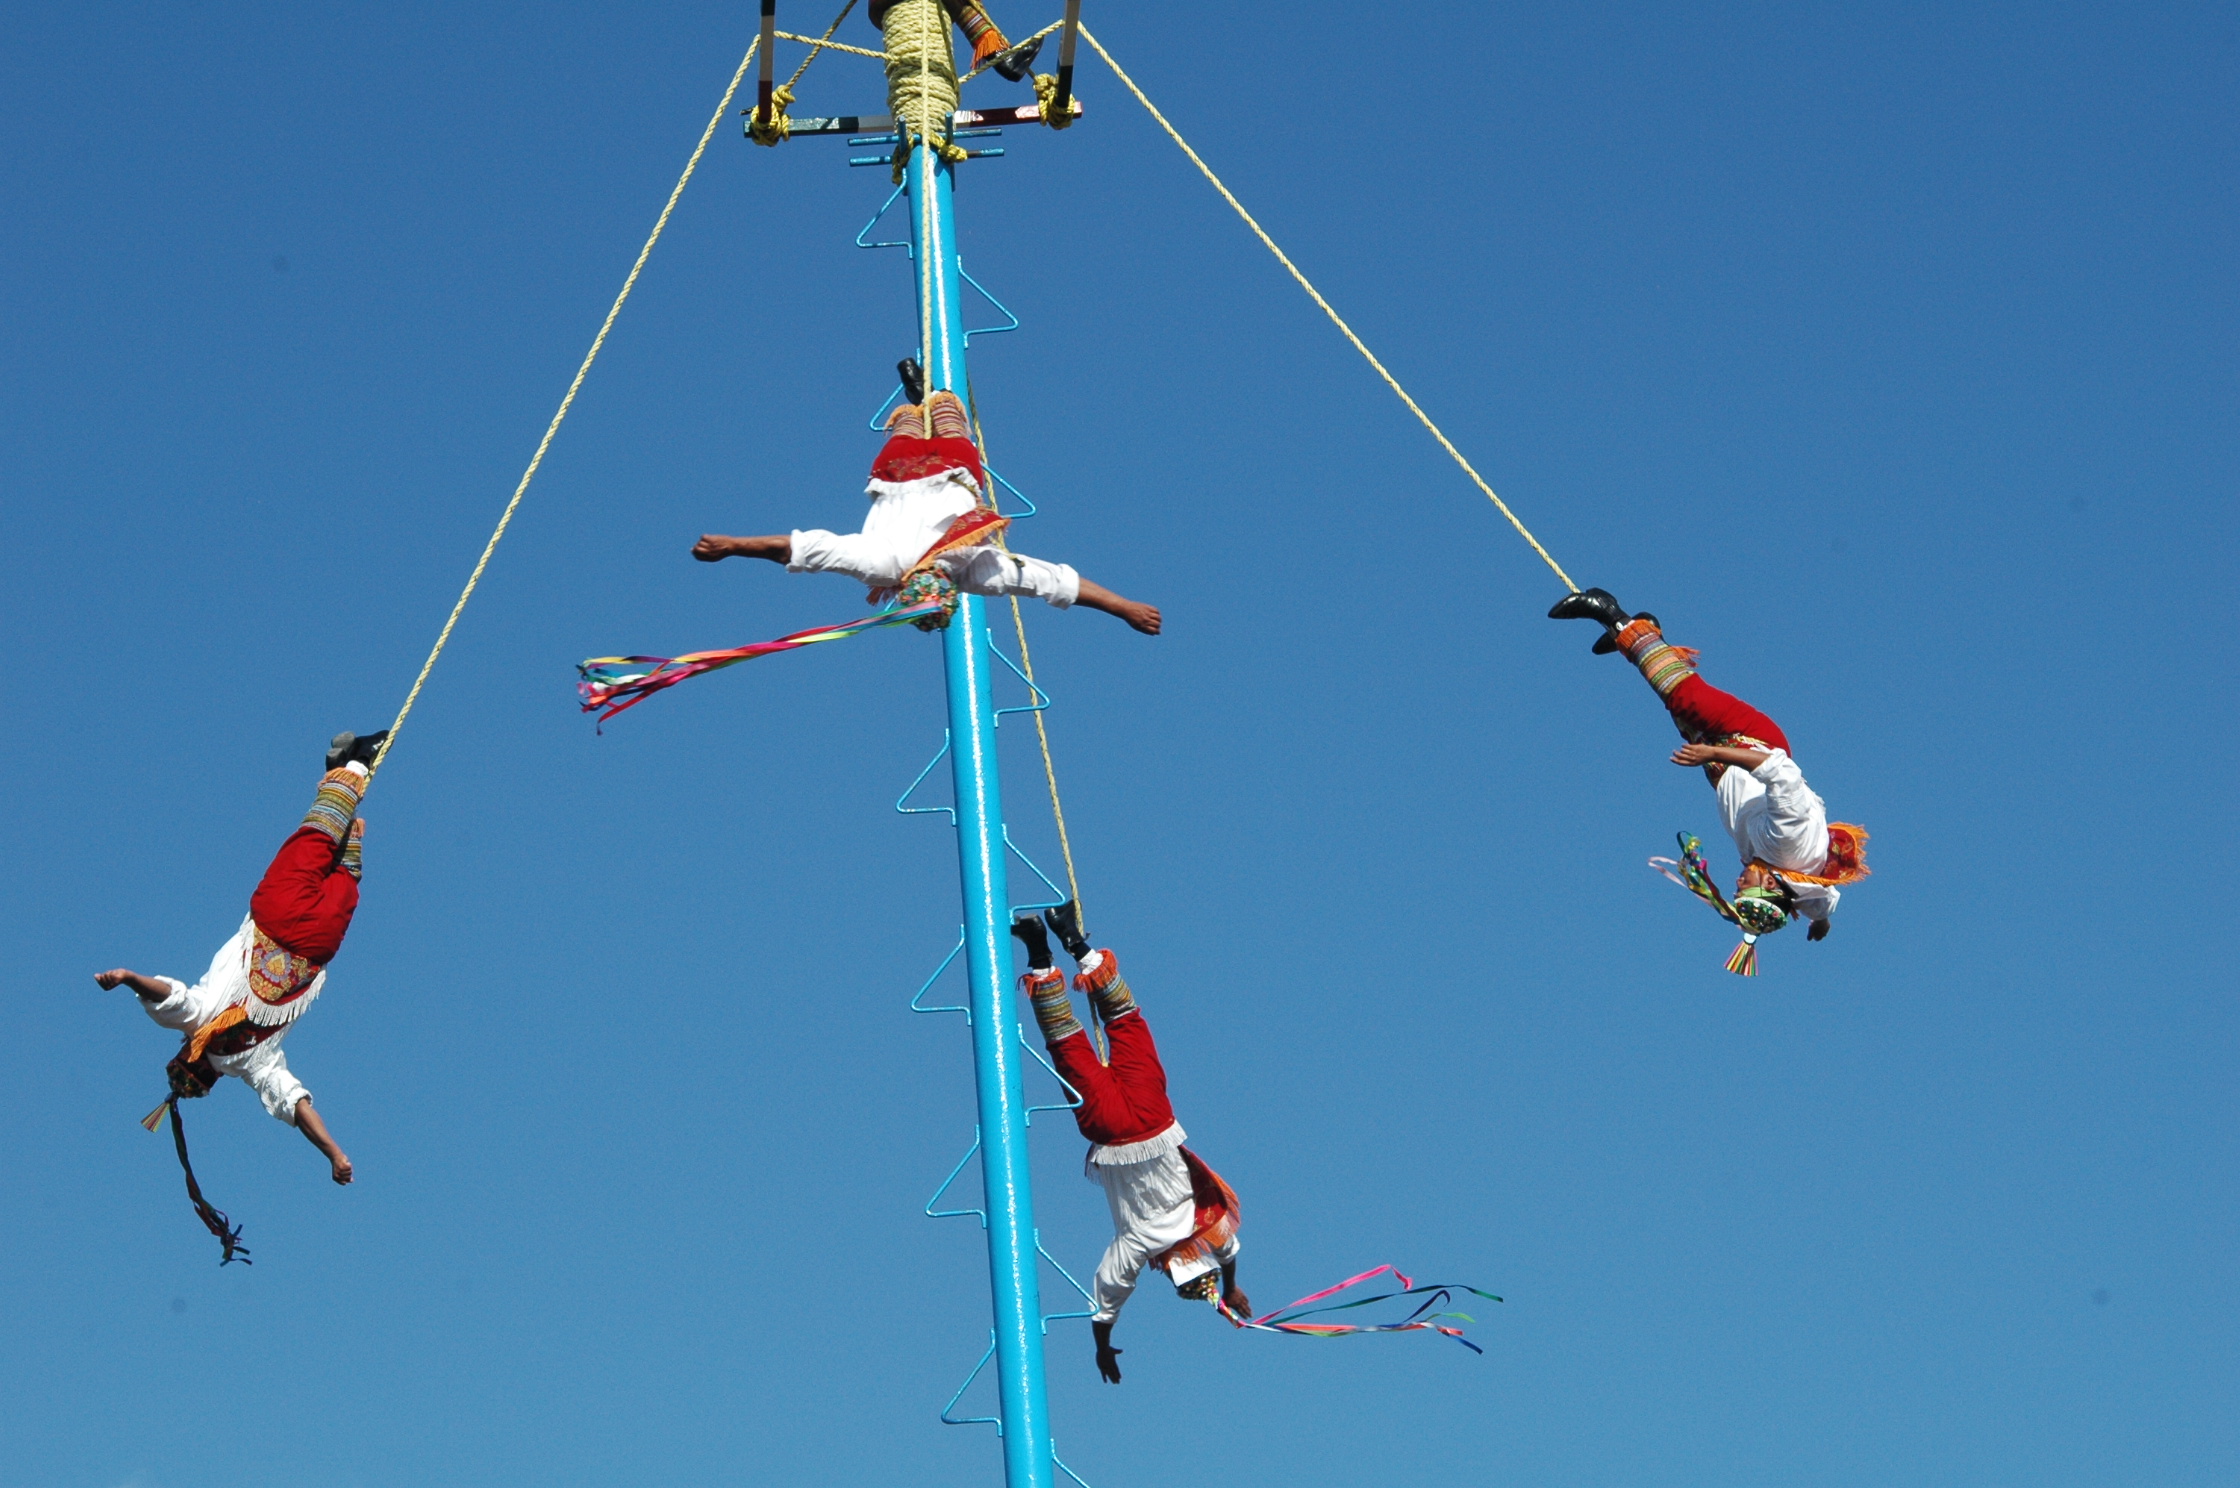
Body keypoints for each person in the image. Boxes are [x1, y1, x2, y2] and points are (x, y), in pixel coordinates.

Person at [95, 731, 386, 1189]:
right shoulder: (245, 1060)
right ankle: (347, 769)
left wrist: (334, 1153)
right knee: (327, 848)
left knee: (333, 863)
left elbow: (170, 1000)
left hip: (298, 936)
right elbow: (292, 1102)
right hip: (295, 933)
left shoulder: (217, 1037)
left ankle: (355, 765)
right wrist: (128, 977)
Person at [692, 373, 1162, 635]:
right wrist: (1122, 607)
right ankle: (934, 396)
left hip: (897, 473)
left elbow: (805, 549)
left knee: (909, 426)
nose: (931, 577)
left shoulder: (883, 566)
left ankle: (917, 404)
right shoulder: (977, 571)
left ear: (908, 587)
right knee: (949, 415)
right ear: (950, 592)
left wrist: (735, 546)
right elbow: (1054, 581)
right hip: (952, 469)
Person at [1010, 903, 1248, 1384]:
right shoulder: (1136, 1247)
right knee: (1067, 1041)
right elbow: (1106, 1305)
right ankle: (1039, 950)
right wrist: (1102, 1349)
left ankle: (1076, 942)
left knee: (1125, 1021)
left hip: (1154, 1117)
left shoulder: (1205, 1221)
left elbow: (1228, 1253)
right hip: (1110, 1129)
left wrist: (1231, 1289)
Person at [1548, 588, 1868, 943]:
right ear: (1770, 884)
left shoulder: (1797, 889)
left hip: (1722, 764)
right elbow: (1781, 771)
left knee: (1677, 702)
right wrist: (1713, 753)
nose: (1737, 882)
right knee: (1685, 698)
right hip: (1750, 740)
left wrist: (1821, 923)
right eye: (1744, 887)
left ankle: (1645, 635)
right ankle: (1608, 611)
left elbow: (1822, 903)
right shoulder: (1787, 843)